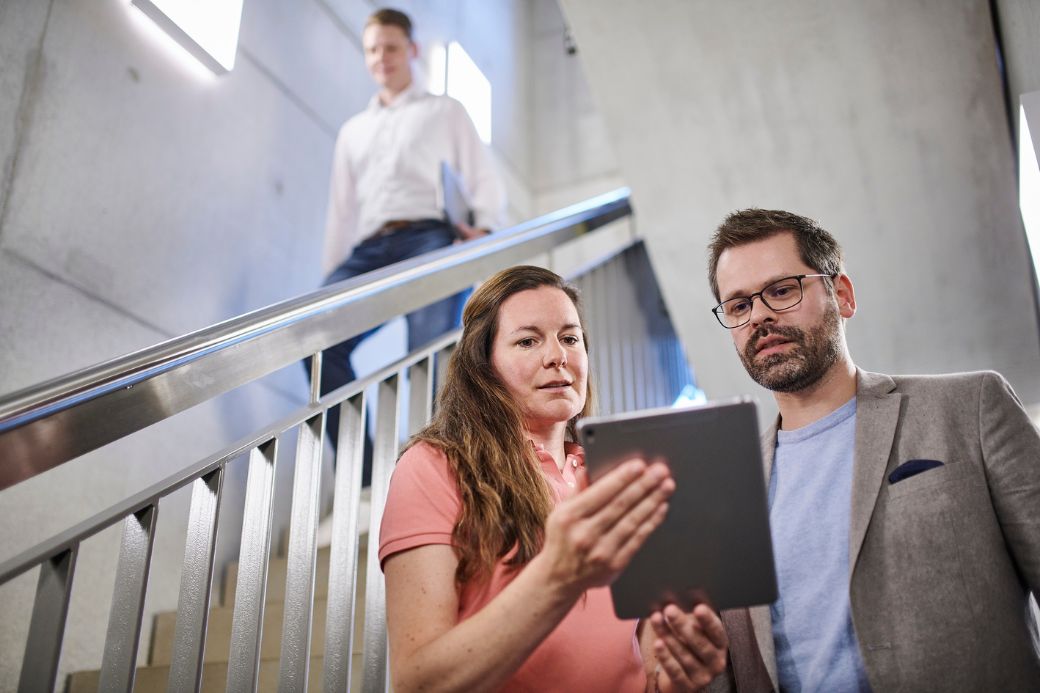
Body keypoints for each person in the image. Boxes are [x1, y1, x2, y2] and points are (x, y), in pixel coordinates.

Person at [704, 209, 1040, 691]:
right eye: (738, 306)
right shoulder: (728, 496)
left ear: (842, 295)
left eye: (782, 290)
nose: (759, 315)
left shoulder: (970, 408)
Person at [379, 265, 729, 692]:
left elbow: (651, 660)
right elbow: (417, 682)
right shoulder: (433, 465)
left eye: (570, 338)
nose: (557, 356)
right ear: (483, 365)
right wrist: (560, 574)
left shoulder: (618, 472)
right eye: (528, 340)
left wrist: (678, 678)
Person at [313, 8, 506, 471]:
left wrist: (483, 229)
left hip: (428, 236)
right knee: (320, 344)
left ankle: (432, 469)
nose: (382, 57)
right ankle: (361, 479)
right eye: (373, 49)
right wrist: (331, 281)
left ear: (412, 49)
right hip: (368, 249)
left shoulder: (444, 110)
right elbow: (341, 212)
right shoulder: (352, 131)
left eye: (392, 47)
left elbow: (482, 179)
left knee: (429, 350)